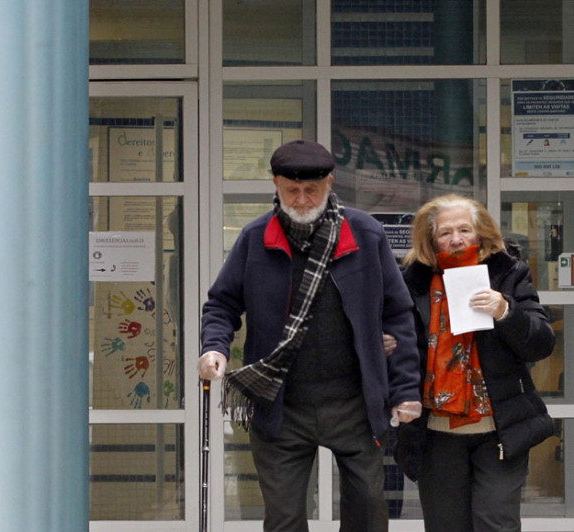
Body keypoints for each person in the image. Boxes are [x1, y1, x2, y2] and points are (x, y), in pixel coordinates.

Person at [198, 139, 422, 532]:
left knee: (369, 510)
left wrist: (404, 389)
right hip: (281, 403)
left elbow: (398, 314)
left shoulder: (365, 233)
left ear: (330, 183)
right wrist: (214, 347)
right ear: (276, 184)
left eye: (311, 189)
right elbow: (222, 304)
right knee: (283, 519)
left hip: (354, 402)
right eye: (291, 190)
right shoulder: (255, 238)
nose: (301, 199)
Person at [394, 194, 555, 531]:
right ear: (431, 239)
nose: (455, 239)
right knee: (445, 525)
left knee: (495, 522)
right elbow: (403, 347)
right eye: (445, 233)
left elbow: (541, 343)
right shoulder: (412, 283)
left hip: (498, 428)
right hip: (436, 431)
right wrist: (389, 345)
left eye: (464, 230)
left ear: (480, 234)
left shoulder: (509, 273)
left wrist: (506, 311)